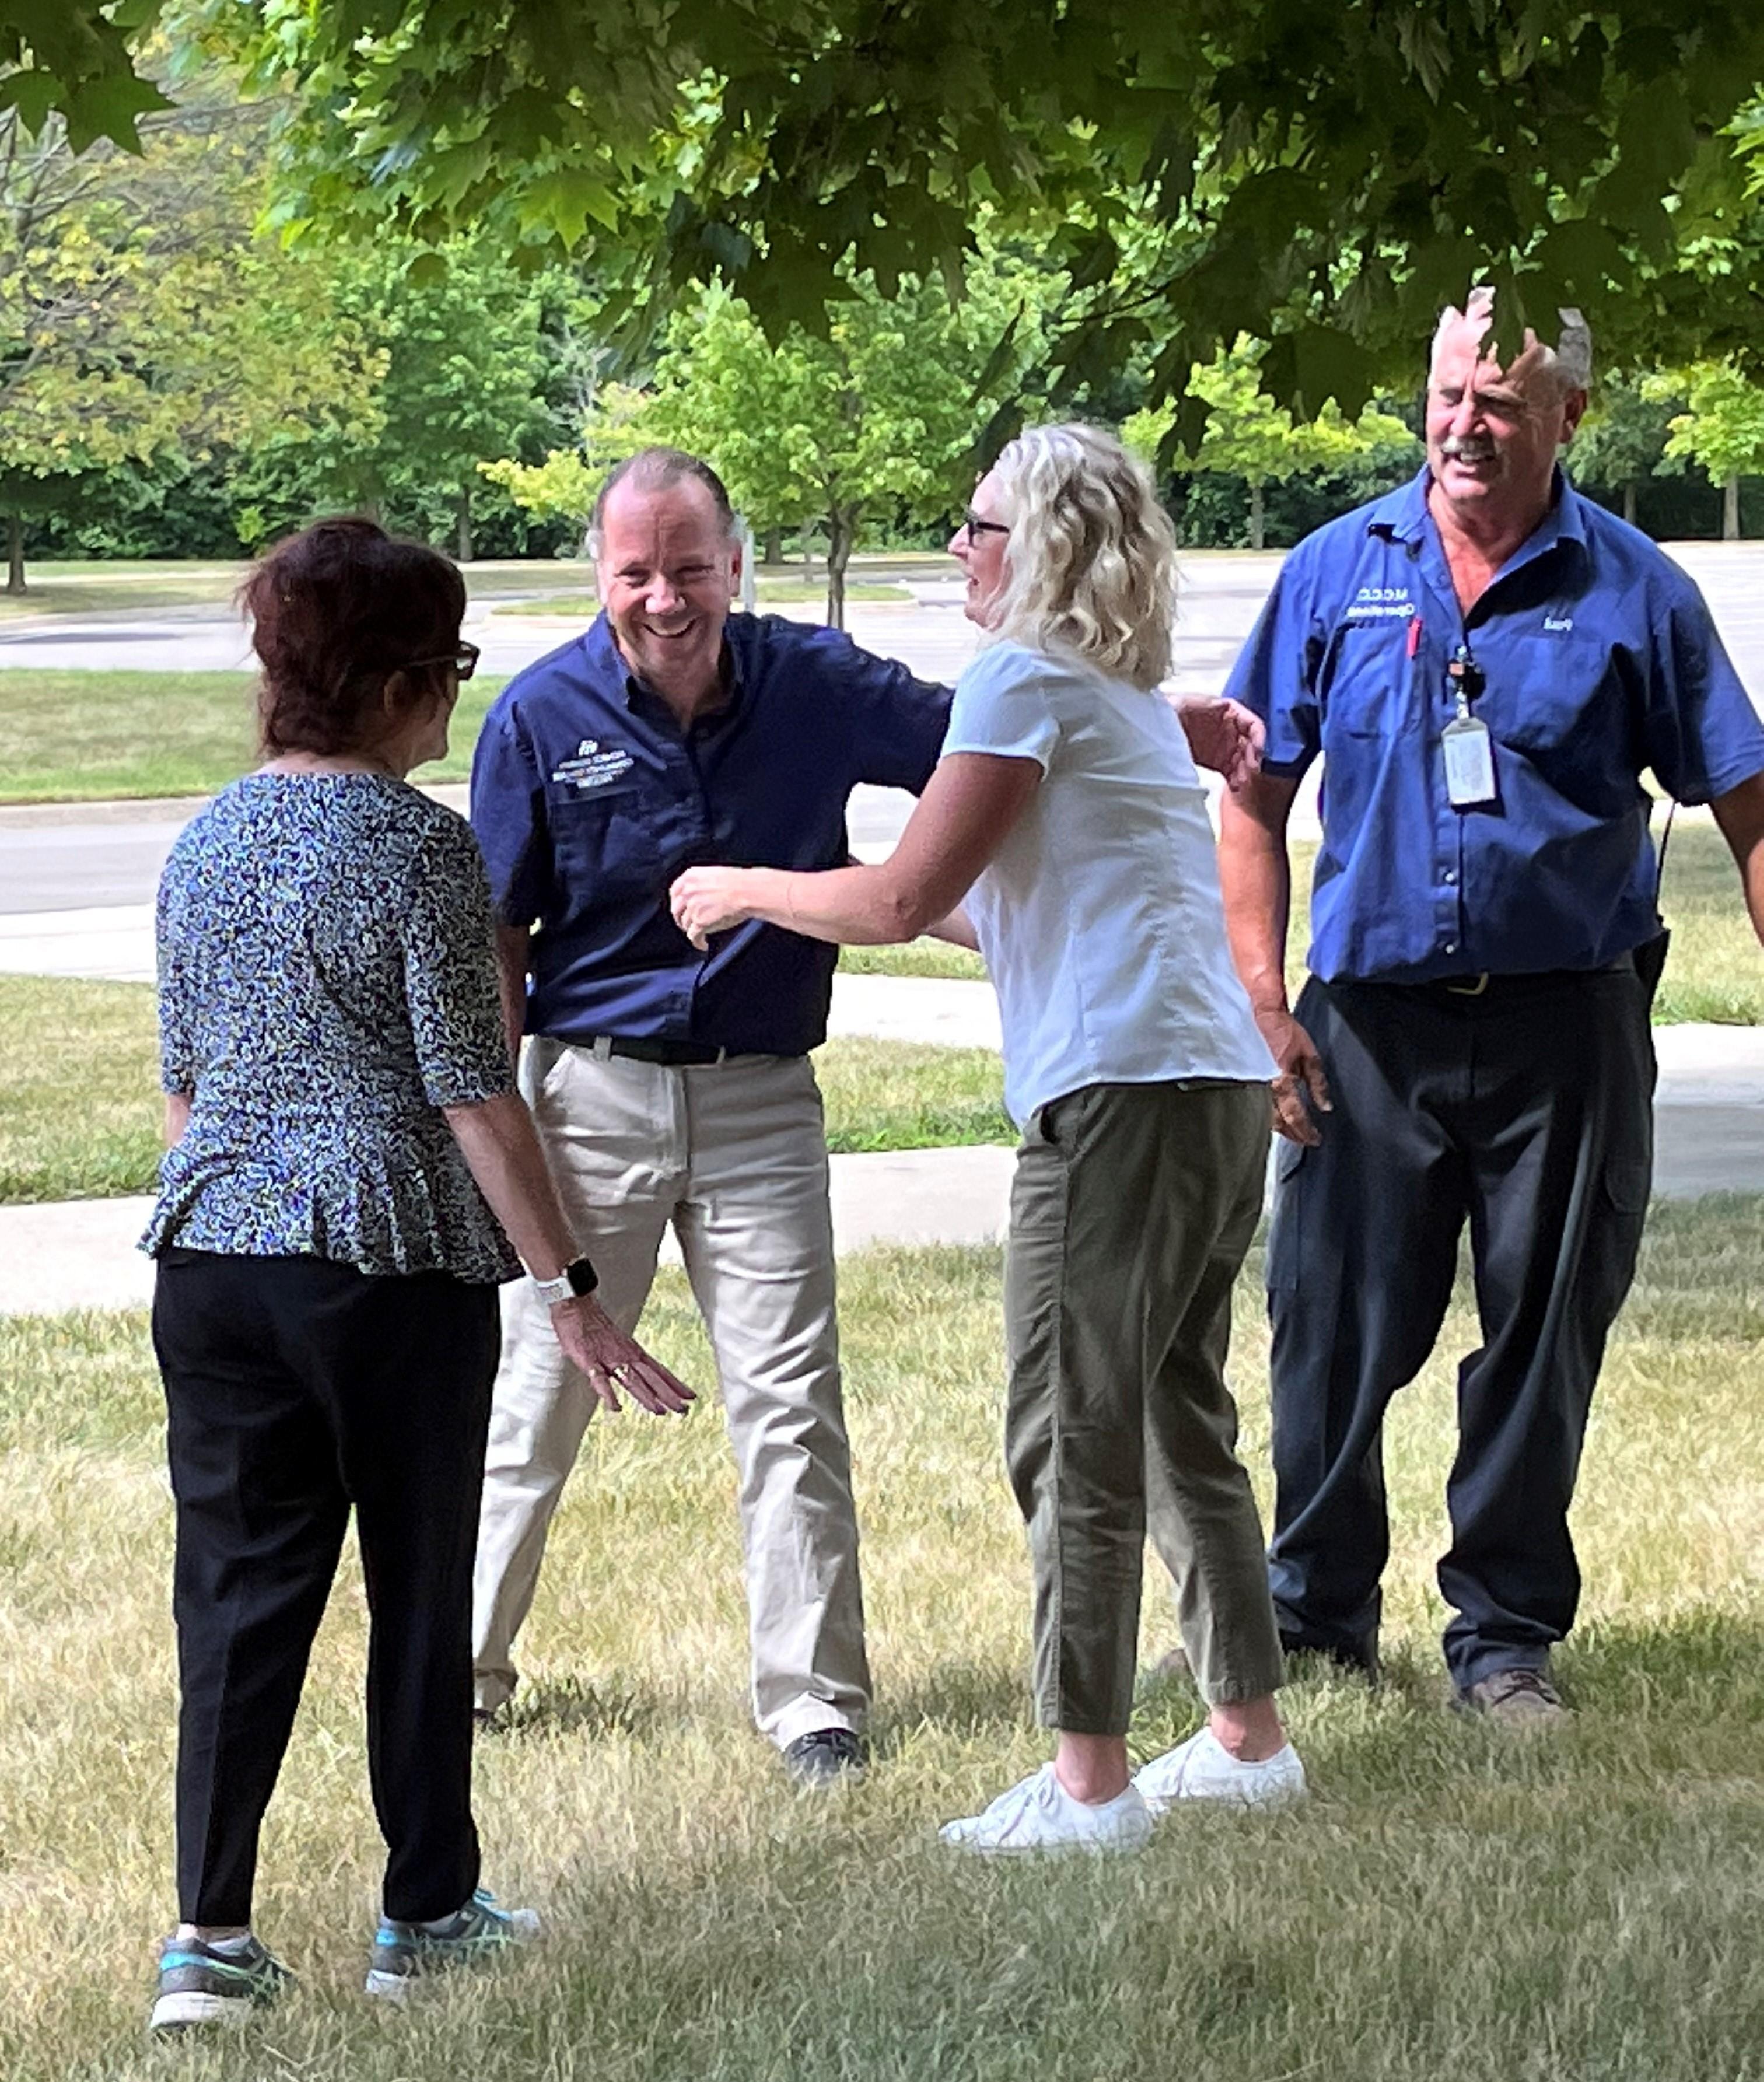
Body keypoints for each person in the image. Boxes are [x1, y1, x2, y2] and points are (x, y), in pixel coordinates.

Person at [671, 422, 1306, 1853]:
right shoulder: (1124, 698)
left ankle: (1088, 1785)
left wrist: (749, 886)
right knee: (1171, 1410)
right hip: (1211, 1088)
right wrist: (840, 880)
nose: (960, 547)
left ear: (1048, 549)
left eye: (980, 525)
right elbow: (981, 904)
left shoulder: (1028, 680)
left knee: (1069, 1429)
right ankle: (1247, 1739)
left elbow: (899, 904)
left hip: (1117, 1103)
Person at [141, 518, 691, 2034]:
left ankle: (207, 1941)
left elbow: (184, 1085)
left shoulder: (205, 838)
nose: (454, 693)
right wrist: (569, 1279)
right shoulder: (418, 843)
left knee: (238, 1602)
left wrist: (244, 1196)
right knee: (417, 1594)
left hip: (212, 1264)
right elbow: (475, 1090)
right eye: (446, 665)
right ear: (390, 681)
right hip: (386, 1268)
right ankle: (428, 1909)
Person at [1216, 289, 1764, 1721]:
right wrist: (1262, 1004)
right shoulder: (1340, 572)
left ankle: (1504, 1640)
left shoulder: (1639, 591)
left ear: (1571, 416)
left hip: (1566, 1028)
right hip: (1368, 1030)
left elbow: (1750, 807)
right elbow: (1252, 802)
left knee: (1544, 1333)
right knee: (1329, 1328)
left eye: (1501, 404)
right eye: (1450, 394)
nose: (1465, 426)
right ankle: (1313, 1617)